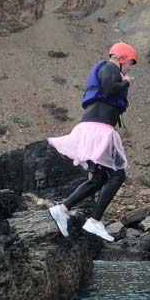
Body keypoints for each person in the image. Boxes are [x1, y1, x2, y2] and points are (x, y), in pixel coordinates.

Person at [46, 42, 139, 242]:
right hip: (100, 130)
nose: (129, 68)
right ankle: (95, 221)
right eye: (130, 63)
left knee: (98, 178)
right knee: (117, 176)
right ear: (122, 59)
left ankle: (62, 210)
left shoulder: (110, 69)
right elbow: (109, 87)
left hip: (94, 127)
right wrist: (126, 82)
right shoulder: (110, 67)